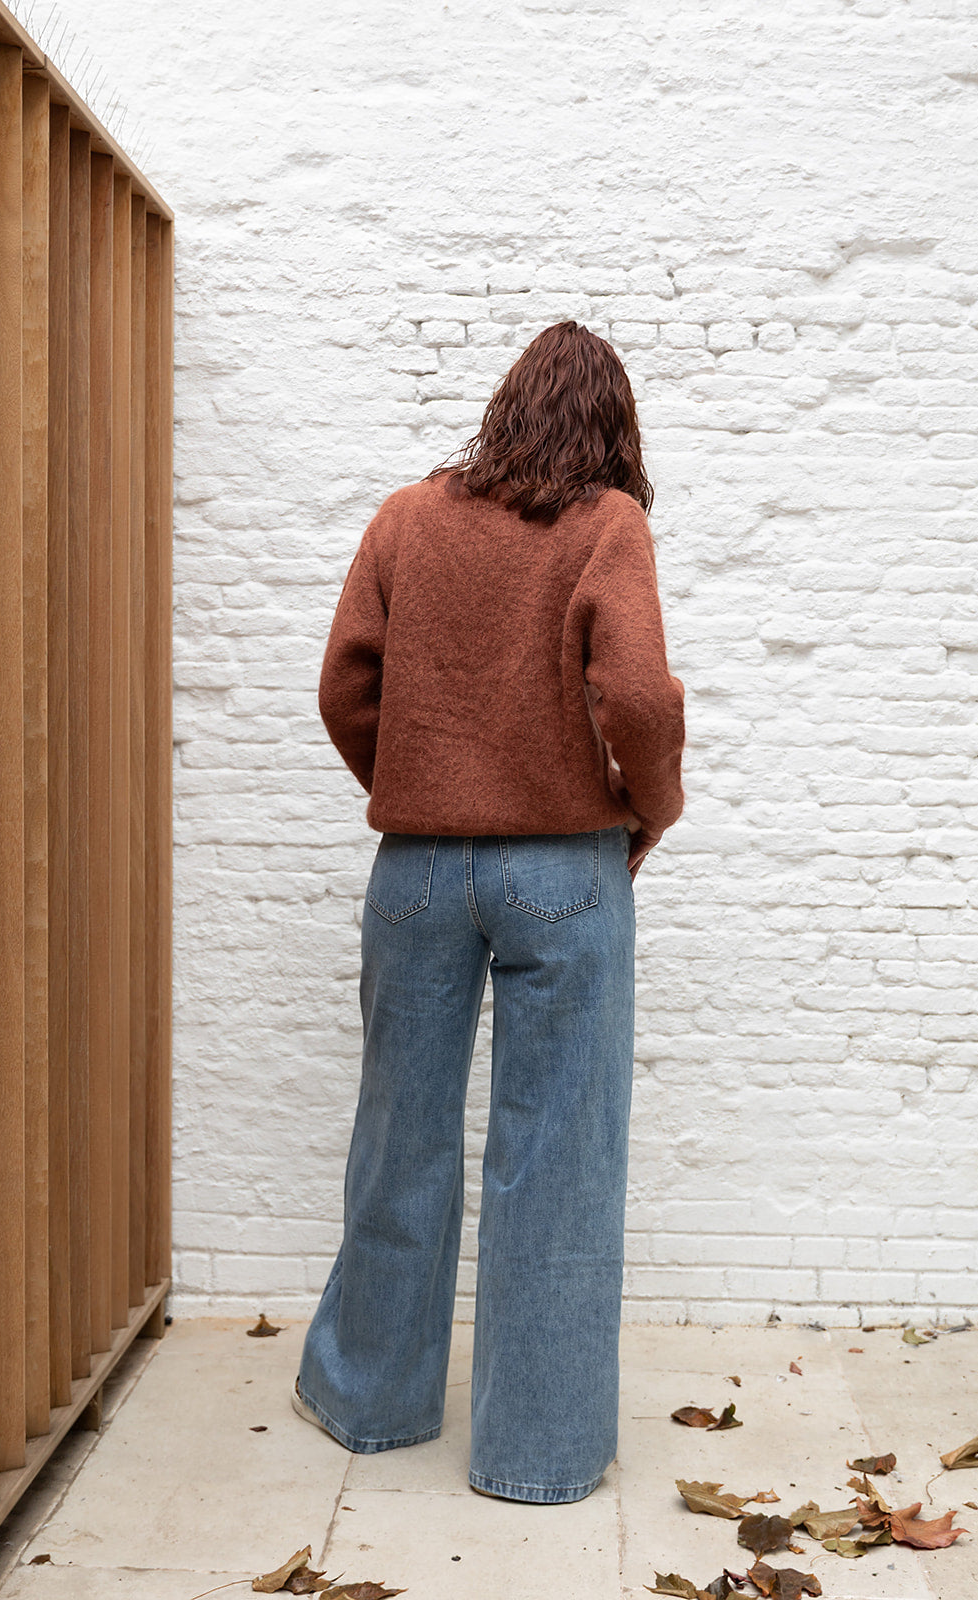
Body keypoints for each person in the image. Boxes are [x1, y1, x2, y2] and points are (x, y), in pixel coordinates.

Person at [292, 319, 686, 1505]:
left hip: (413, 870)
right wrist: (646, 807)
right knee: (556, 1155)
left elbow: (343, 684)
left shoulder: (406, 517)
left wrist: (413, 783)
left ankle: (370, 1400)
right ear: (613, 427)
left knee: (399, 1132)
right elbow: (638, 695)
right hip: (564, 868)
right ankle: (538, 1451)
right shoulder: (607, 523)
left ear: (504, 405)